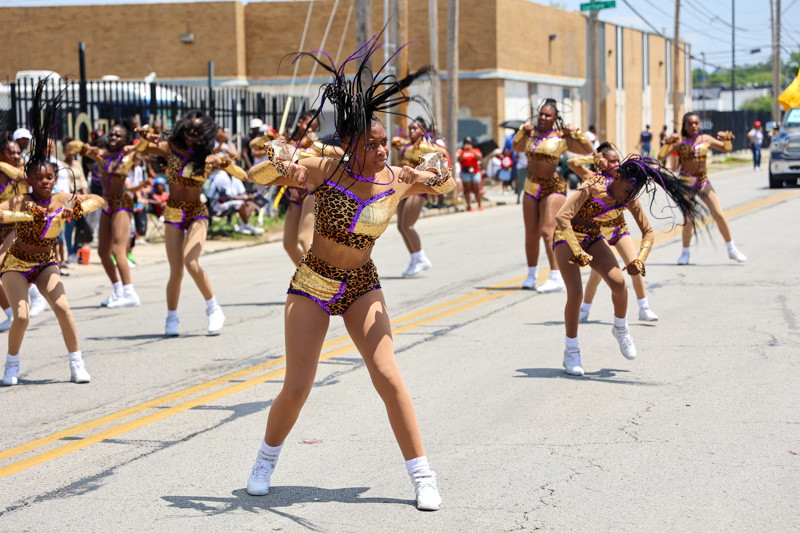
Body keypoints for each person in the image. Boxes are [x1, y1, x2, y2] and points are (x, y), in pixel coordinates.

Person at [244, 35, 450, 511]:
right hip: (313, 282)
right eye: (374, 144)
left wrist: (437, 165)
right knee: (297, 387)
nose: (384, 150)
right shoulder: (325, 168)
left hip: (361, 285)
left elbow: (445, 183)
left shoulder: (396, 179)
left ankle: (423, 476)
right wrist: (280, 163)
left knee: (387, 375)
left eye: (385, 143)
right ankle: (264, 461)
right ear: (352, 142)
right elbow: (259, 176)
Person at [554, 153, 703, 376]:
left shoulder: (629, 197)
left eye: (631, 195)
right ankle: (571, 351)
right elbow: (562, 216)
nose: (626, 199)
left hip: (592, 237)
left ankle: (621, 329)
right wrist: (577, 252)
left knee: (619, 283)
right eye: (626, 192)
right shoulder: (593, 186)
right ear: (620, 176)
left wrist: (639, 260)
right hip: (567, 237)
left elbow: (648, 232)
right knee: (575, 293)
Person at [1, 80, 106, 386]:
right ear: (30, 179)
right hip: (17, 262)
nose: (44, 181)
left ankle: (77, 363)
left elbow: (97, 200)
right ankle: (12, 365)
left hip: (46, 262)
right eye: (38, 177)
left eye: (49, 177)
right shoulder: (22, 198)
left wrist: (78, 209)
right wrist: (23, 213)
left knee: (62, 307)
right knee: (20, 316)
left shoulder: (62, 198)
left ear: (55, 177)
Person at [567, 144, 659, 323]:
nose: (616, 163)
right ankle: (585, 308)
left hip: (618, 228)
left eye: (618, 160)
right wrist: (592, 159)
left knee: (634, 264)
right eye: (611, 161)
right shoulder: (593, 179)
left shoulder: (627, 185)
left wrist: (641, 260)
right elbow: (571, 163)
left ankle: (644, 307)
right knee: (599, 275)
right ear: (603, 162)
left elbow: (647, 230)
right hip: (597, 232)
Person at [512, 99, 593, 292]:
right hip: (531, 186)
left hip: (553, 187)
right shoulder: (530, 135)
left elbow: (588, 149)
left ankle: (556, 276)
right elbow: (516, 146)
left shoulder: (561, 138)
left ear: (555, 118)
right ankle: (532, 275)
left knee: (548, 232)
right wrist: (522, 131)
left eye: (548, 115)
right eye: (541, 114)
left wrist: (576, 132)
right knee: (531, 234)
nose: (543, 117)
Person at [68, 124, 151, 308]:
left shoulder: (129, 156)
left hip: (122, 203)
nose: (113, 137)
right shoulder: (101, 154)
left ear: (124, 140)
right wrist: (88, 148)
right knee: (102, 252)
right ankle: (118, 291)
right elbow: (72, 144)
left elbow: (145, 146)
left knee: (118, 249)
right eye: (111, 134)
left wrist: (138, 143)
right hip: (106, 204)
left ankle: (130, 292)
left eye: (118, 135)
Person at [658, 112, 746, 265]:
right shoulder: (681, 140)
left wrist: (727, 139)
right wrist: (668, 143)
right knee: (688, 218)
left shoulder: (706, 139)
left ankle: (731, 248)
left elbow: (727, 149)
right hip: (686, 182)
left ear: (700, 125)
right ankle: (685, 252)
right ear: (685, 126)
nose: (693, 126)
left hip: (703, 181)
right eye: (690, 124)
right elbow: (661, 156)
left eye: (696, 123)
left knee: (718, 213)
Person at [392, 117, 448, 275]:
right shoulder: (406, 145)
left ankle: (421, 257)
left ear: (423, 131)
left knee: (408, 225)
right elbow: (394, 141)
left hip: (418, 188)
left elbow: (443, 153)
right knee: (401, 226)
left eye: (415, 129)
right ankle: (416, 258)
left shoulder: (425, 146)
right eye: (410, 128)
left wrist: (430, 145)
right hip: (403, 187)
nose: (411, 131)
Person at [0, 133, 27, 331]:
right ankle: (10, 313)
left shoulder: (23, 170)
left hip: (18, 226)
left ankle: (29, 297)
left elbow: (22, 177)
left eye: (18, 152)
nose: (17, 156)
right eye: (12, 152)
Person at [457, 137, 483, 212]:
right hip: (465, 172)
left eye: (469, 142)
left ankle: (479, 205)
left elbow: (479, 158)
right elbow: (459, 160)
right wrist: (464, 151)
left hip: (475, 171)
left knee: (476, 190)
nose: (467, 144)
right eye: (466, 142)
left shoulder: (476, 150)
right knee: (467, 190)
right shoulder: (461, 151)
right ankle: (469, 206)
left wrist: (472, 150)